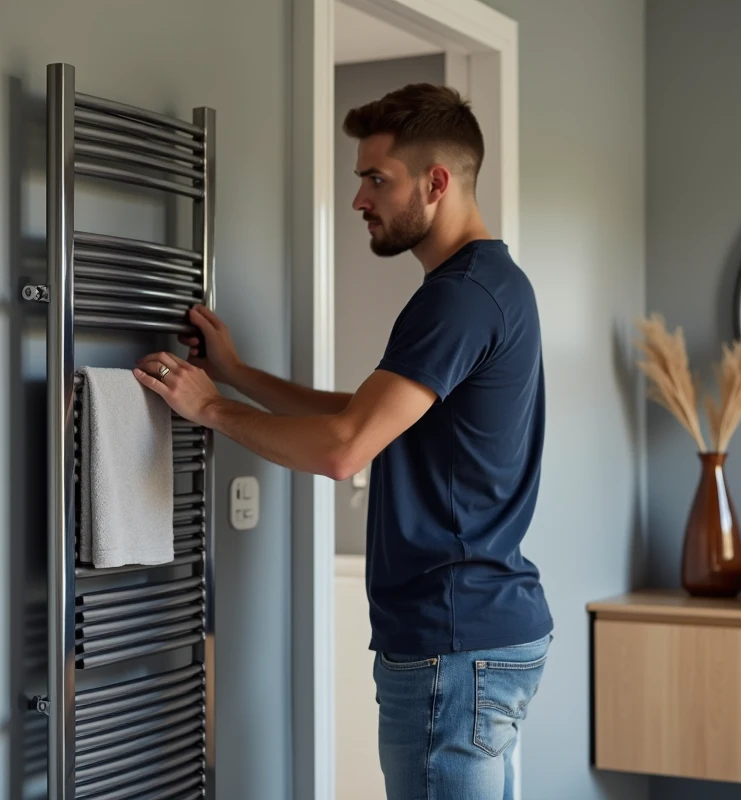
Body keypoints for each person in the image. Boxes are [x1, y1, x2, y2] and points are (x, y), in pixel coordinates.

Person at [134, 83, 552, 800]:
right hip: (486, 630)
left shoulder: (459, 297)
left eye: (375, 179)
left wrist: (212, 411)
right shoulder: (490, 285)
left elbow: (344, 448)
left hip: (452, 643)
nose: (359, 199)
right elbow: (366, 414)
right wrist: (236, 376)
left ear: (437, 182)